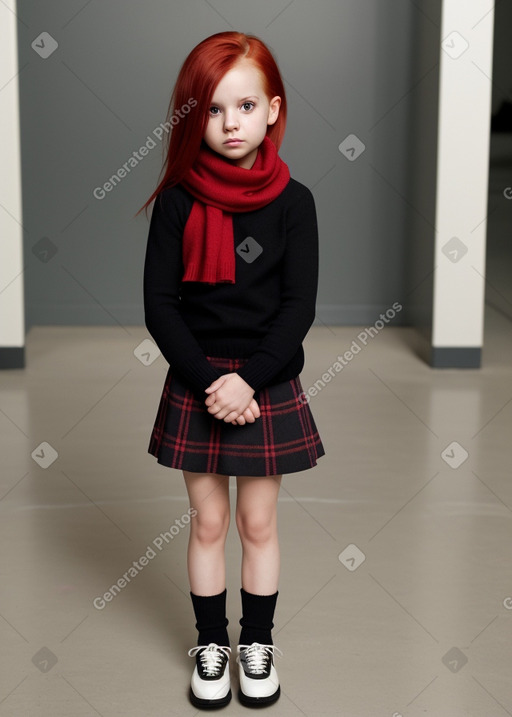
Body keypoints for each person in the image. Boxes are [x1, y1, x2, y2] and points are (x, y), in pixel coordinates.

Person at [139, 30, 325, 709]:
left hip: (266, 378)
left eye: (245, 107)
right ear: (195, 117)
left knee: (259, 522)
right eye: (214, 110)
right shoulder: (178, 200)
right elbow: (161, 305)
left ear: (272, 110)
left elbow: (297, 308)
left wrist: (250, 380)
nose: (231, 123)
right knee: (207, 520)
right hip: (198, 378)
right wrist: (209, 380)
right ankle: (212, 646)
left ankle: (258, 645)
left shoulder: (295, 203)